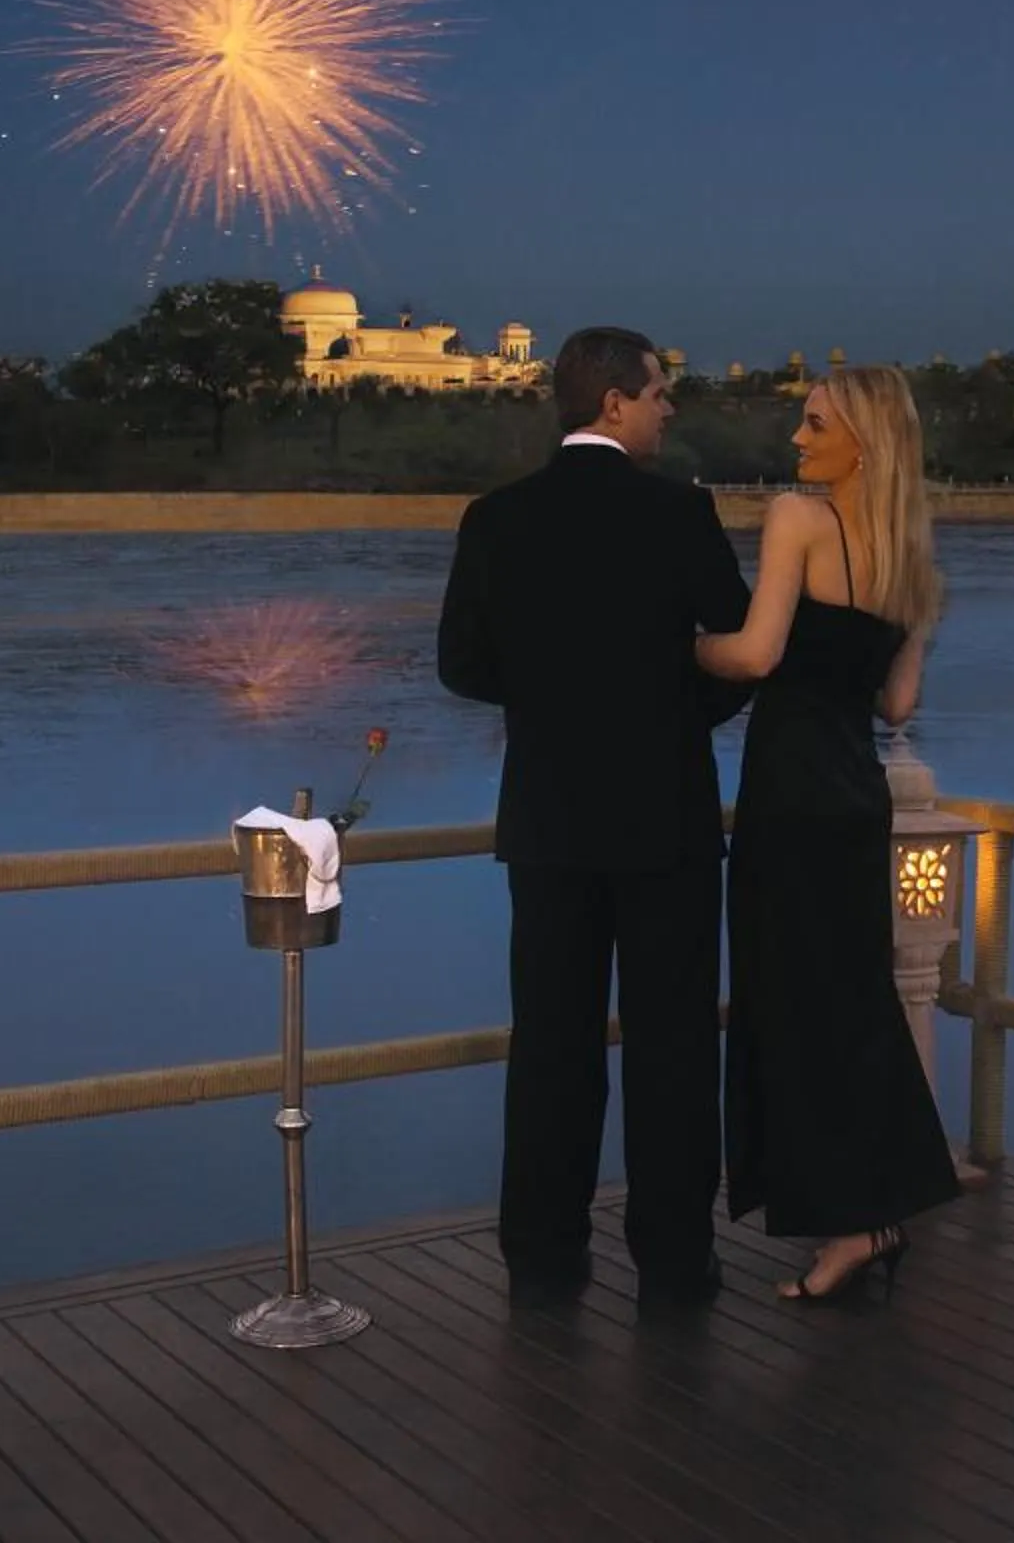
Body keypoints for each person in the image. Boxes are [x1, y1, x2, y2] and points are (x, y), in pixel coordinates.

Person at [436, 327, 753, 1308]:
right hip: (667, 817)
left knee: (552, 1045)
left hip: (548, 819)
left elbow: (461, 666)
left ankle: (541, 1252)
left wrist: (549, 705)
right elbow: (737, 647)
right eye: (659, 392)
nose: (669, 408)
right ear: (613, 401)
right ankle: (670, 1260)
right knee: (674, 1046)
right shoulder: (679, 513)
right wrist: (667, 708)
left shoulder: (495, 518)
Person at [695, 365, 960, 1300]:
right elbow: (897, 705)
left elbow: (757, 654)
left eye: (814, 425)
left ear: (862, 440)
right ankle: (876, 1210)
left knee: (794, 1005)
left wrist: (681, 644)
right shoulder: (911, 556)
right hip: (856, 798)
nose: (797, 442)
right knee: (851, 1003)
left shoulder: (797, 520)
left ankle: (853, 1225)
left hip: (792, 795)